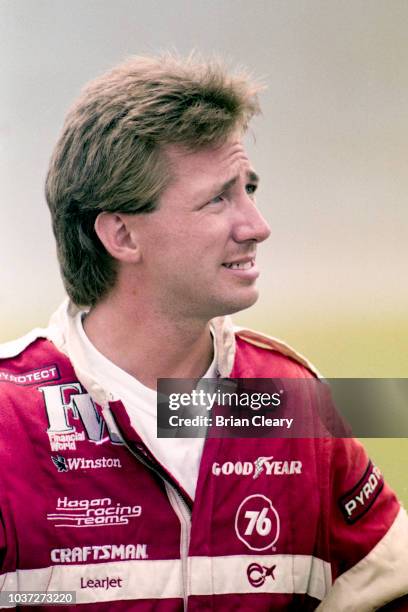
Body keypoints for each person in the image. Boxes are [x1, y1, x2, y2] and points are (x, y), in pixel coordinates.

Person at [0, 53, 407, 611]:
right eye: (218, 198)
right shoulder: (9, 423)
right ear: (121, 235)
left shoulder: (285, 402)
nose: (257, 226)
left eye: (249, 189)